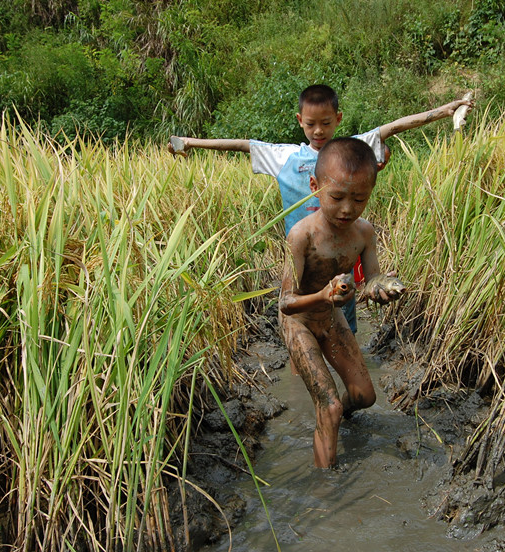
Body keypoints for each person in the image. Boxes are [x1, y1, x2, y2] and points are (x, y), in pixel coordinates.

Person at [168, 85, 471, 332]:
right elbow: (242, 145)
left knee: (344, 316)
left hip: (340, 255)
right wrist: (191, 143)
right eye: (311, 124)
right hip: (301, 259)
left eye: (326, 123)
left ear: (338, 119)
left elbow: (392, 128)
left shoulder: (352, 150)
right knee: (298, 321)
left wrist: (444, 112)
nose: (318, 131)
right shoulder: (285, 156)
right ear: (300, 120)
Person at [278, 137, 405, 468]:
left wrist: (380, 288)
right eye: (336, 197)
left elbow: (371, 277)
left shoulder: (363, 234)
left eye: (359, 199)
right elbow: (286, 304)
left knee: (364, 397)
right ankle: (326, 488)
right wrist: (323, 295)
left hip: (331, 318)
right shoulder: (301, 237)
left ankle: (339, 417)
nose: (348, 208)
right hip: (299, 322)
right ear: (314, 186)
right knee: (329, 405)